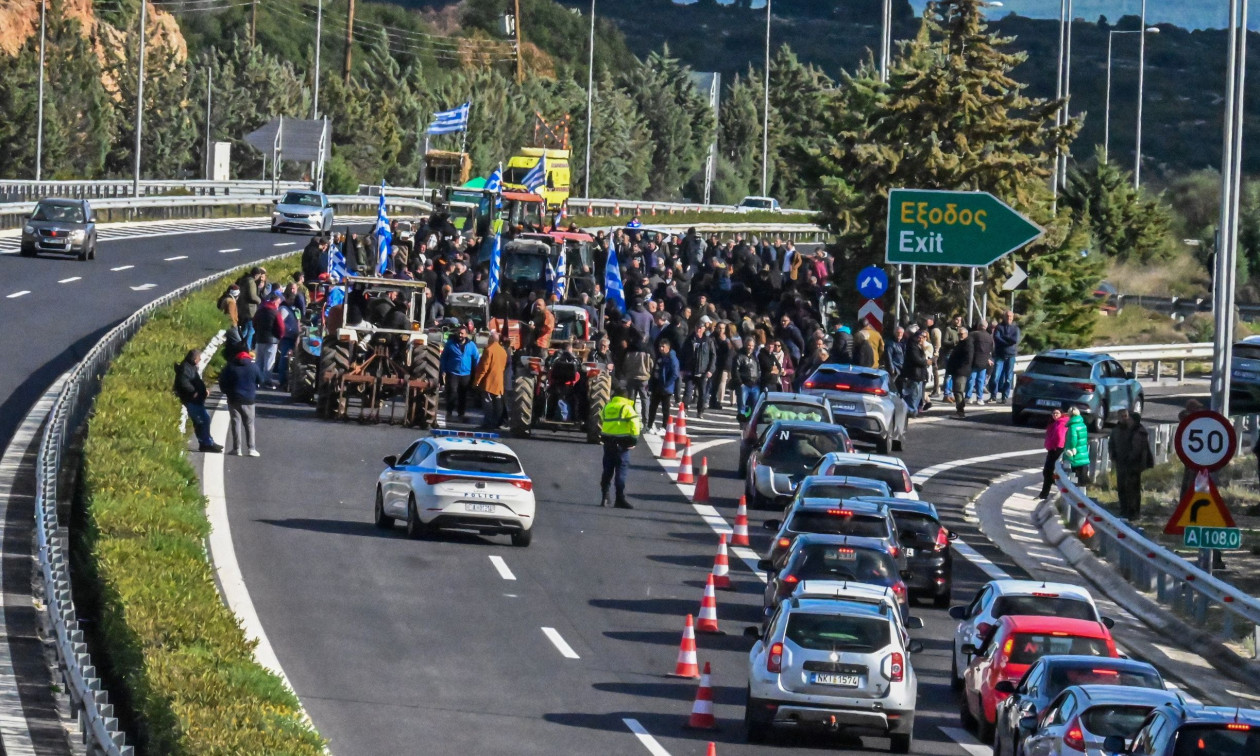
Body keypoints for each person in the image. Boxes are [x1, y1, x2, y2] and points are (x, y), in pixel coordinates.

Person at [600, 383, 641, 509]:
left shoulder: (607, 406)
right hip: (622, 445)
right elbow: (635, 425)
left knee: (607, 470)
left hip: (608, 443)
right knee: (620, 472)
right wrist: (633, 441)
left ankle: (605, 496)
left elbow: (602, 419)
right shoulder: (627, 408)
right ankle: (619, 498)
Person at [173, 349, 221, 453]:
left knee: (203, 420)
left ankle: (207, 442)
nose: (199, 361)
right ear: (194, 359)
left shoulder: (190, 367)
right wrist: (194, 392)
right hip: (192, 400)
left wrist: (203, 391)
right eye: (199, 359)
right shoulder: (185, 369)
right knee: (202, 420)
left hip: (196, 399)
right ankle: (206, 443)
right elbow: (183, 383)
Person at [1110, 409, 1154, 518]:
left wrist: (1136, 462)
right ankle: (1124, 509)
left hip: (1134, 465)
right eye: (1123, 416)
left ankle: (1133, 512)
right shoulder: (1117, 430)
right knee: (1122, 488)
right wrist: (1114, 457)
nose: (1125, 419)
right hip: (1121, 463)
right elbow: (1112, 444)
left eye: (1127, 416)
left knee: (1133, 489)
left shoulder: (1139, 431)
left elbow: (1139, 450)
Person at [219, 347, 261, 457]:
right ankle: (251, 448)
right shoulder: (253, 366)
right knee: (249, 424)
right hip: (249, 400)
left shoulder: (230, 367)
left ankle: (237, 449)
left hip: (233, 398)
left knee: (235, 422)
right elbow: (261, 379)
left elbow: (222, 380)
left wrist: (226, 392)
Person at [440, 326, 480, 421]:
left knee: (463, 394)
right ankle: (449, 411)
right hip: (453, 372)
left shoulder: (471, 345)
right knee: (452, 392)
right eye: (459, 333)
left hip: (466, 374)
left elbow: (476, 359)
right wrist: (443, 370)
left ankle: (461, 413)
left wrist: (476, 371)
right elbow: (444, 358)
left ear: (466, 334)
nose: (460, 335)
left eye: (462, 333)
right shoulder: (450, 344)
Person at [680, 322, 715, 419]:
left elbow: (713, 356)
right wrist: (682, 368)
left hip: (702, 371)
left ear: (704, 329)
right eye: (697, 327)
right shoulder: (689, 340)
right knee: (687, 392)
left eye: (701, 328)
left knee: (702, 393)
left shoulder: (708, 341)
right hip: (690, 370)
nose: (699, 329)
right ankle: (685, 409)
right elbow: (683, 354)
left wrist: (710, 370)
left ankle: (700, 411)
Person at [472, 331, 507, 429]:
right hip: (499, 382)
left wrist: (477, 381)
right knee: (498, 404)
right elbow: (504, 367)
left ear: (491, 339)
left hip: (488, 382)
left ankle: (487, 423)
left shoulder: (488, 350)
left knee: (487, 404)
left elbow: (484, 368)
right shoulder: (503, 351)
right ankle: (497, 422)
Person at [252, 293, 286, 388]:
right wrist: (280, 336)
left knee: (259, 360)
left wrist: (258, 332)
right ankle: (266, 381)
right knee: (269, 361)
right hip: (272, 340)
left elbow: (254, 322)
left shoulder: (260, 311)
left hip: (260, 338)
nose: (278, 305)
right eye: (278, 303)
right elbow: (281, 327)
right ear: (275, 302)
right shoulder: (275, 312)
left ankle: (257, 380)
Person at [646, 339, 680, 433]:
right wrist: (651, 383)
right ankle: (649, 425)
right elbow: (654, 371)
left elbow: (675, 374)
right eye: (660, 346)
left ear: (668, 348)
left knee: (665, 409)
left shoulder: (672, 359)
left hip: (665, 388)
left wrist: (667, 384)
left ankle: (665, 427)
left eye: (663, 347)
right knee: (653, 407)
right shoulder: (659, 357)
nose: (661, 348)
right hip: (657, 385)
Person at [992, 310, 1021, 404]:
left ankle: (1004, 396)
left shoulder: (1015, 328)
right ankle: (993, 396)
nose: (1009, 318)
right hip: (1000, 355)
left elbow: (1014, 340)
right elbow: (997, 338)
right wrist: (1008, 341)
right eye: (1007, 316)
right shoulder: (999, 327)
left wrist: (1004, 338)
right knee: (996, 376)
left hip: (1011, 356)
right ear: (1004, 317)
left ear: (1013, 317)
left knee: (1008, 378)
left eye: (1010, 316)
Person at [1039, 407, 1068, 498]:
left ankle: (1044, 494)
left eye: (1057, 413)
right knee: (1048, 472)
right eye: (1053, 413)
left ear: (1061, 414)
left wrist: (1055, 446)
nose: (1055, 415)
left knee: (1048, 472)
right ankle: (1044, 493)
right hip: (1053, 449)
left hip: (1056, 449)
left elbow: (1060, 436)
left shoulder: (1060, 423)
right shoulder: (1056, 423)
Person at [945, 326, 973, 418]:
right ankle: (959, 410)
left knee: (958, 391)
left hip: (961, 371)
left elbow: (967, 358)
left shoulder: (967, 344)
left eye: (961, 334)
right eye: (958, 334)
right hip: (957, 370)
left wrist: (959, 367)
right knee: (957, 390)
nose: (960, 336)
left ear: (966, 334)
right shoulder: (962, 343)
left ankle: (960, 412)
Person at [901, 330, 930, 418]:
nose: (924, 339)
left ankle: (913, 411)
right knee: (913, 394)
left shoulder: (918, 346)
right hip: (914, 374)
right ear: (919, 337)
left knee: (918, 395)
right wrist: (927, 362)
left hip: (919, 375)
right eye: (922, 337)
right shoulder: (912, 346)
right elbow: (917, 359)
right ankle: (910, 411)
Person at [968, 319, 994, 404]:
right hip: (984, 361)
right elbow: (991, 349)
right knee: (981, 380)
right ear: (986, 327)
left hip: (974, 360)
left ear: (979, 326)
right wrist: (988, 359)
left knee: (971, 379)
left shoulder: (973, 334)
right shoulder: (989, 337)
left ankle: (968, 397)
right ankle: (980, 398)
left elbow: (969, 347)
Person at [733, 338, 761, 418]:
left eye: (752, 345)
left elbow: (758, 369)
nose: (750, 347)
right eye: (749, 345)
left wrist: (758, 380)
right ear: (745, 345)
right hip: (743, 385)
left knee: (754, 407)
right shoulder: (739, 356)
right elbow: (735, 371)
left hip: (755, 385)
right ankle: (743, 423)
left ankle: (750, 423)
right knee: (742, 406)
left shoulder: (754, 357)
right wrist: (740, 383)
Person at [1064, 406, 1091, 486]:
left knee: (1075, 474)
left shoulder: (1072, 426)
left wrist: (1071, 448)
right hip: (1083, 451)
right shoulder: (1083, 424)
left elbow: (1073, 439)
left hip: (1075, 453)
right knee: (1083, 473)